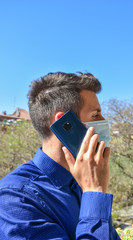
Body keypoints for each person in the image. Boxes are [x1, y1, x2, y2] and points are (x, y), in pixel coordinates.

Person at [0, 72, 120, 240]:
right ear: (66, 124)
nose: (104, 120)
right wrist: (95, 192)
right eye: (95, 115)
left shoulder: (81, 183)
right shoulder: (14, 198)